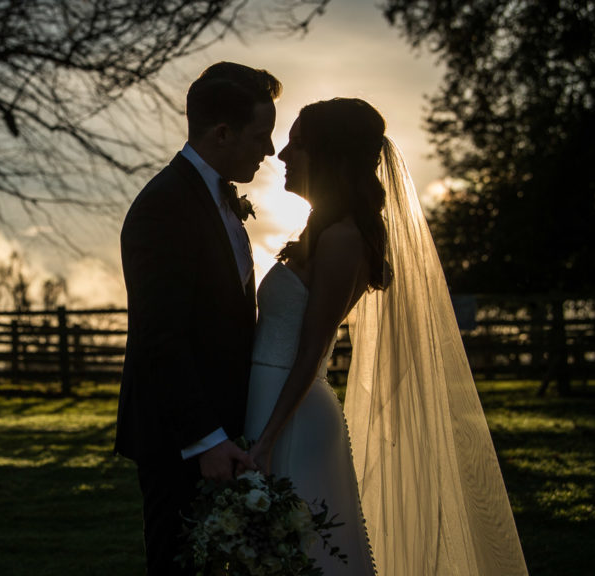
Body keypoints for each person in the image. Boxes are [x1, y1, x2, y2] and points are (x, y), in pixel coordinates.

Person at [245, 97, 529, 575]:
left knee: (301, 554)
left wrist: (268, 438)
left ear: (330, 156)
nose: (283, 155)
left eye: (298, 144)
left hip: (290, 416)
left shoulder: (342, 238)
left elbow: (311, 350)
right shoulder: (321, 232)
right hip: (271, 404)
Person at [115, 62, 280, 575]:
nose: (270, 151)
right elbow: (160, 336)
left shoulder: (218, 199)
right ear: (223, 132)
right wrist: (204, 439)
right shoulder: (164, 206)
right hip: (179, 438)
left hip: (224, 430)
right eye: (262, 135)